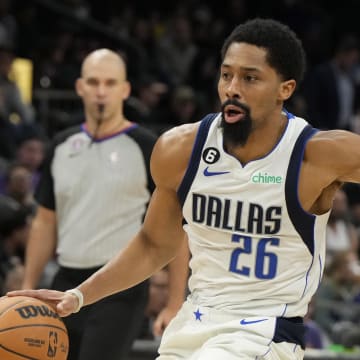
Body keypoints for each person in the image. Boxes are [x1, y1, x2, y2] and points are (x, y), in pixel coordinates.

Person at [8, 18, 360, 359]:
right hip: (194, 323)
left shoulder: (318, 154)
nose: (232, 88)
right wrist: (79, 295)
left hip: (266, 330)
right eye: (226, 75)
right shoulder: (181, 149)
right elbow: (153, 245)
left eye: (250, 78)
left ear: (286, 88)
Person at [10, 48, 189, 360]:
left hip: (121, 287)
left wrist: (174, 303)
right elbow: (44, 222)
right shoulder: (61, 145)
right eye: (93, 82)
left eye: (110, 82)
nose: (101, 91)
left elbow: (174, 231)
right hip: (65, 281)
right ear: (80, 87)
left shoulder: (149, 147)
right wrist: (28, 289)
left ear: (125, 89)